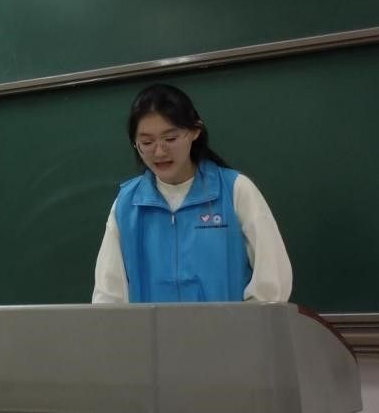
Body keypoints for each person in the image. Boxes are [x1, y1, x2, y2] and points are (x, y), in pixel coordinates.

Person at [92, 83, 292, 304]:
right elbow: (108, 296)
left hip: (231, 326)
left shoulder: (236, 190)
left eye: (170, 139)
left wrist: (240, 325)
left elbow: (271, 285)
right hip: (151, 328)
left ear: (195, 131)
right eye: (147, 142)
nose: (159, 151)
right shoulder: (127, 204)